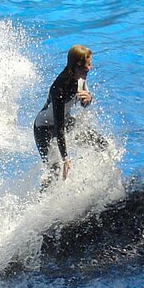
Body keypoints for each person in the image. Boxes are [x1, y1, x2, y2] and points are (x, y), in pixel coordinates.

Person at [33, 45, 107, 188]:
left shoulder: (80, 76)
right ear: (78, 65)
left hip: (64, 121)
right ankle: (41, 204)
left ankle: (101, 182)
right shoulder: (59, 88)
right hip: (43, 129)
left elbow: (84, 102)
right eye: (88, 65)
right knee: (54, 172)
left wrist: (88, 99)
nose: (90, 68)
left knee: (101, 144)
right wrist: (65, 158)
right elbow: (59, 128)